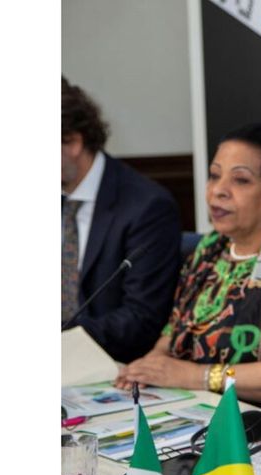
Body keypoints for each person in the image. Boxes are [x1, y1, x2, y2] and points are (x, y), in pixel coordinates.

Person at [115, 123, 261, 425]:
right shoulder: (211, 248)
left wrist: (200, 376)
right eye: (215, 175)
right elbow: (175, 330)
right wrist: (149, 367)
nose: (218, 190)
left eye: (240, 180)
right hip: (201, 411)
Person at [62, 78, 182, 362]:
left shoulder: (147, 207)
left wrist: (62, 341)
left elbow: (140, 319)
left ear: (73, 142)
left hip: (112, 366)